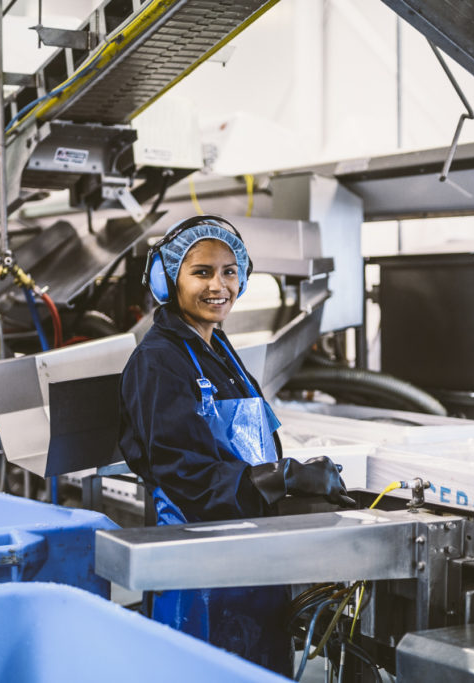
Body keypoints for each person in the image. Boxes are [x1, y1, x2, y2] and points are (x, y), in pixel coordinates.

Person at [118, 214, 354, 675]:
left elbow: (249, 447)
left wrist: (296, 480)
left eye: (229, 271)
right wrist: (281, 479)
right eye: (201, 272)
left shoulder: (217, 347)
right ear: (168, 280)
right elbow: (186, 476)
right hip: (199, 572)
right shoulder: (159, 361)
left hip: (252, 559)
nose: (218, 285)